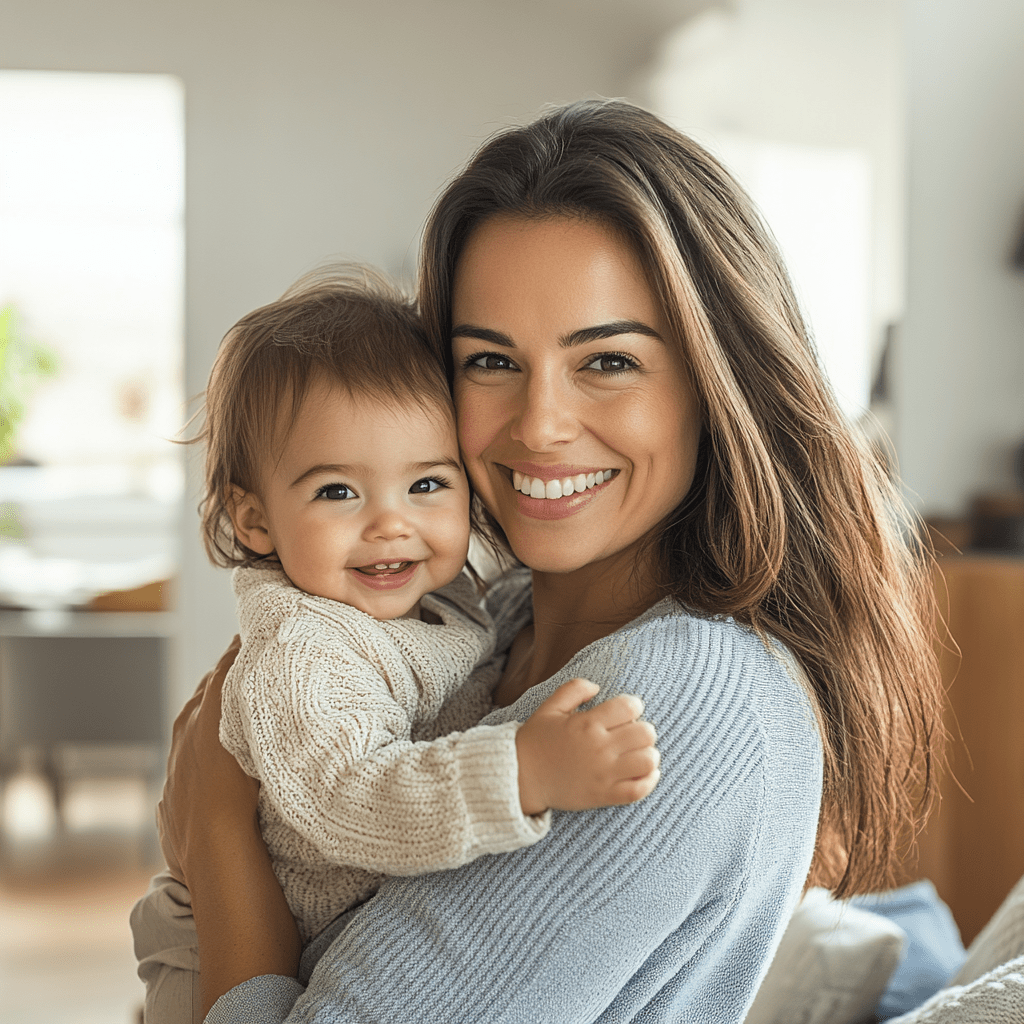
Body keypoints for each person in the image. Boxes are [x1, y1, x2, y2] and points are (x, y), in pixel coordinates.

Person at [158, 99, 945, 1023]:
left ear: (713, 381)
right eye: (490, 361)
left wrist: (216, 837)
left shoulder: (679, 694)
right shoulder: (491, 620)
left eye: (606, 361)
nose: (538, 425)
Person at [131, 266, 659, 1023]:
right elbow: (353, 800)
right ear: (254, 522)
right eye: (337, 491)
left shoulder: (439, 596)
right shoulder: (304, 651)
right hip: (207, 954)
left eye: (427, 485)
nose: (391, 524)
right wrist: (521, 771)